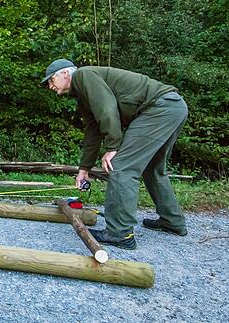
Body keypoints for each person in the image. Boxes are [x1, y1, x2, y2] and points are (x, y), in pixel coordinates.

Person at [41, 59, 188, 249]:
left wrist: (112, 147)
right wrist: (84, 169)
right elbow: (93, 131)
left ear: (65, 74)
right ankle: (172, 221)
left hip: (159, 108)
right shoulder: (83, 94)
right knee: (152, 168)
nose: (50, 86)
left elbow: (108, 109)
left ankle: (120, 233)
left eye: (51, 80)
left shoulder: (84, 75)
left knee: (121, 167)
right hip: (173, 107)